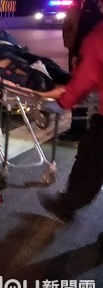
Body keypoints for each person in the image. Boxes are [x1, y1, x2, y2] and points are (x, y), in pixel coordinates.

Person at [38, 20, 103, 222]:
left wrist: (63, 102)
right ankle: (67, 204)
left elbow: (86, 76)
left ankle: (67, 204)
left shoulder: (99, 35)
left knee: (90, 162)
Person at [59, 0, 103, 141]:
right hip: (82, 54)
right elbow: (76, 32)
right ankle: (78, 127)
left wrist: (63, 103)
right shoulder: (88, 6)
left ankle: (79, 128)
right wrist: (74, 51)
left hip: (88, 57)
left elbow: (84, 80)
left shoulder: (98, 36)